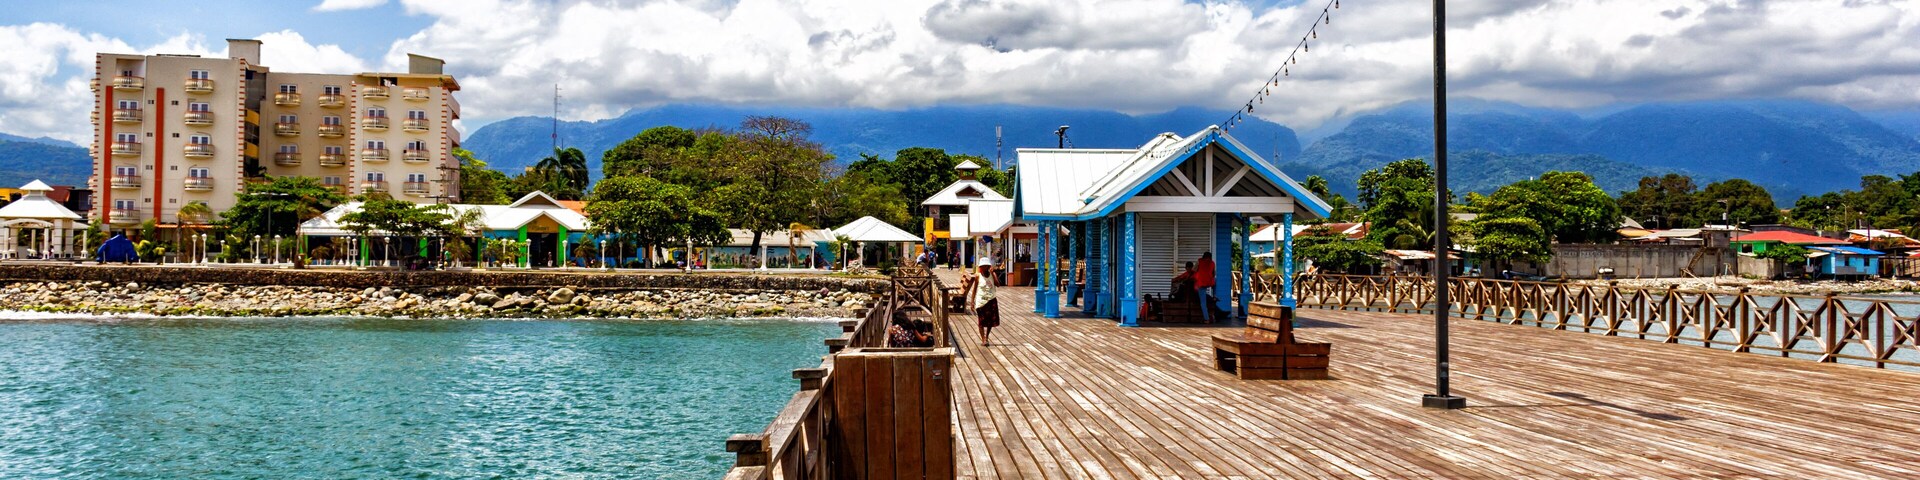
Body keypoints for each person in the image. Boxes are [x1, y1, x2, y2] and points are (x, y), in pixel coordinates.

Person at [967, 256, 1000, 346]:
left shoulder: (992, 275)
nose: (983, 268)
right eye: (982, 266)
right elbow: (974, 289)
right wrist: (972, 301)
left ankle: (987, 337)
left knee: (990, 321)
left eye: (985, 266)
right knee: (981, 321)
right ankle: (983, 339)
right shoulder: (978, 276)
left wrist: (993, 274)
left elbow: (997, 284)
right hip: (981, 301)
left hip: (991, 299)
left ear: (988, 266)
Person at [1195, 252, 1217, 322]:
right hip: (1210, 282)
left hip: (1201, 283)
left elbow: (1193, 270)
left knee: (1203, 302)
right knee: (1215, 281)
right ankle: (1214, 295)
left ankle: (1206, 319)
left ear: (1203, 256)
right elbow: (1214, 273)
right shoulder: (1212, 263)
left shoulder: (1199, 261)